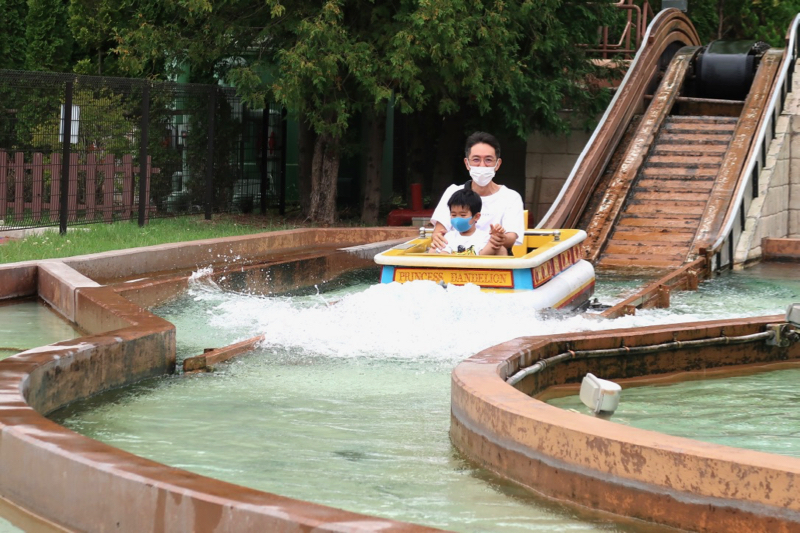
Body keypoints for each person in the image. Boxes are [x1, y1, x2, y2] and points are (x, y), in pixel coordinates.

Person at [429, 132, 524, 255]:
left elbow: (511, 237)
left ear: (498, 164)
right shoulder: (453, 192)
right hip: (453, 260)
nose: (482, 165)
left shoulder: (511, 197)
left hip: (492, 262)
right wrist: (437, 239)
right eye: (476, 159)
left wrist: (499, 238)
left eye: (488, 160)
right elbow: (439, 232)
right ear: (467, 163)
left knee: (501, 250)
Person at [431, 189, 505, 255]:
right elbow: (443, 256)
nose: (457, 219)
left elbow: (482, 255)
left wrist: (494, 239)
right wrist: (435, 247)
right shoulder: (448, 237)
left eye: (463, 215)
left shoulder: (484, 237)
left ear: (476, 216)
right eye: (453, 215)